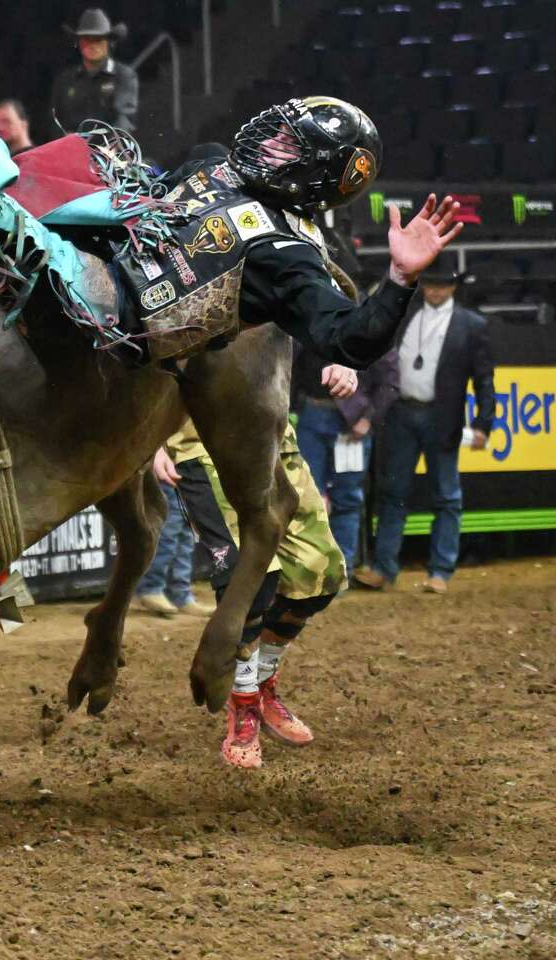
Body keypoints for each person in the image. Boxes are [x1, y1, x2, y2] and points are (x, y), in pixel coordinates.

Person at [0, 95, 463, 400]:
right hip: (100, 246)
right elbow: (152, 204)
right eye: (277, 126)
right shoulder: (214, 161)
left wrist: (399, 277)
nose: (265, 138)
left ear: (307, 173)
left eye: (285, 141)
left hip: (112, 316)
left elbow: (349, 337)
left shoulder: (286, 254)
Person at [156, 378, 353, 768]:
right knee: (248, 579)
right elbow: (136, 342)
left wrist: (344, 355)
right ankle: (243, 705)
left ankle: (262, 684)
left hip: (272, 431)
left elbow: (311, 318)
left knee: (321, 573)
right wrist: (152, 443)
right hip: (200, 441)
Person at [353, 253, 495, 595]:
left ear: (453, 287)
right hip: (401, 412)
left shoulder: (472, 325)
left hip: (441, 417)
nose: (434, 290)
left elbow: (485, 380)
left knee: (446, 496)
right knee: (392, 493)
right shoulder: (406, 316)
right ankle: (384, 568)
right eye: (430, 284)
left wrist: (483, 423)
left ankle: (440, 571)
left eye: (442, 284)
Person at [293, 342, 399, 573]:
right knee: (307, 499)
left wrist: (368, 418)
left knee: (346, 499)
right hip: (313, 414)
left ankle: (340, 572)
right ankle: (311, 573)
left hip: (351, 424)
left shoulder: (370, 325)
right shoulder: (310, 319)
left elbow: (390, 382)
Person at [49, 8, 139, 138]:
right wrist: (64, 142)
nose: (92, 44)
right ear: (78, 42)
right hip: (71, 151)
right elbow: (54, 120)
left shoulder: (124, 76)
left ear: (109, 42)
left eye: (98, 39)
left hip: (110, 152)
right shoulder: (64, 80)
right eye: (87, 39)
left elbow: (124, 118)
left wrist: (112, 146)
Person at [132, 478, 213, 617]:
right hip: (165, 471)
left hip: (184, 471)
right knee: (168, 531)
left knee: (184, 535)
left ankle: (179, 594)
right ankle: (151, 588)